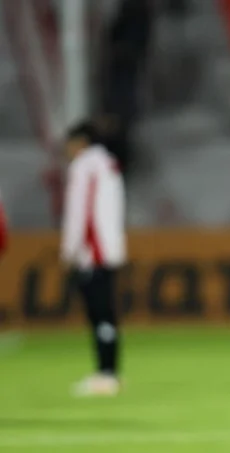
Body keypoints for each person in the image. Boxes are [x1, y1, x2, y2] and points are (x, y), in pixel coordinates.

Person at [60, 122, 127, 397]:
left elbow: (80, 213)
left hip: (92, 251)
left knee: (98, 314)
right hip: (110, 248)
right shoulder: (109, 164)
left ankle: (105, 374)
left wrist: (70, 250)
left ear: (81, 142)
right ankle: (110, 372)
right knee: (107, 314)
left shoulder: (84, 166)